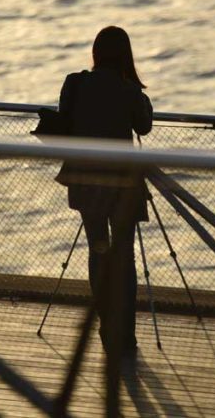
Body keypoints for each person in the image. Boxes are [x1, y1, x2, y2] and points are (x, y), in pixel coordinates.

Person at [56, 26, 153, 358]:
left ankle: (105, 327)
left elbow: (64, 123)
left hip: (85, 180)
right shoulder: (127, 90)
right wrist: (137, 89)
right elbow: (144, 125)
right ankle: (125, 333)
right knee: (124, 257)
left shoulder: (75, 83)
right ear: (125, 56)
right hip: (121, 184)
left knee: (98, 250)